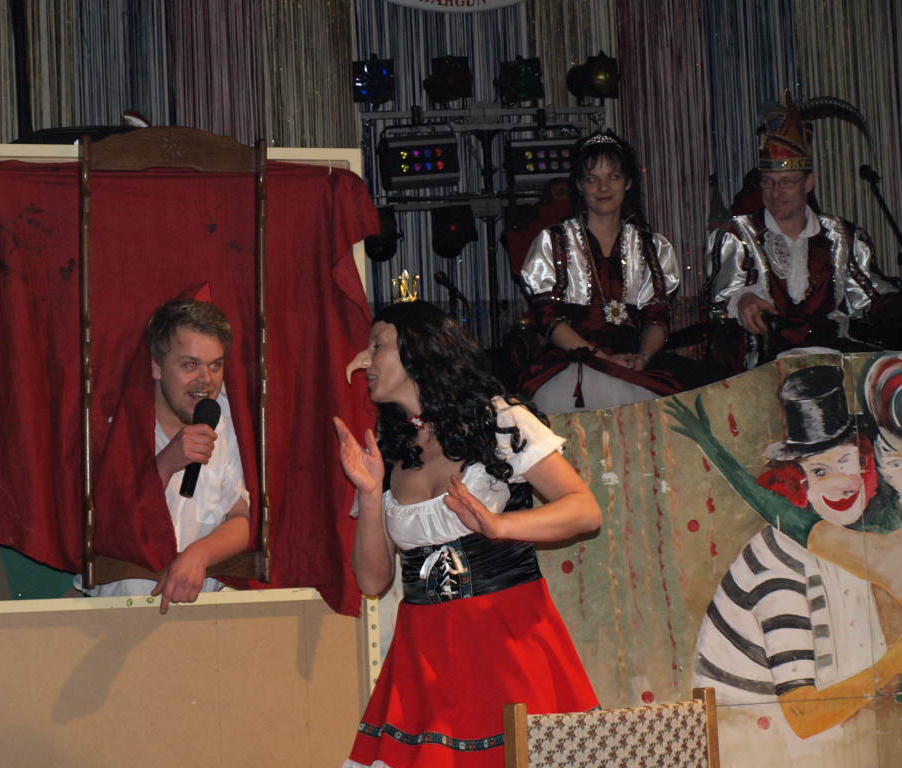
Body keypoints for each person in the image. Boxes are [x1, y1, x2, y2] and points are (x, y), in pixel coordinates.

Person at [334, 299, 601, 768]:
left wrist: (500, 526)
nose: (363, 360)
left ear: (420, 351)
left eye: (377, 346)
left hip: (507, 640)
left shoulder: (498, 420)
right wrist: (371, 494)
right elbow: (373, 581)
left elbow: (584, 511)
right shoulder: (393, 448)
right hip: (424, 655)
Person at [666, 366, 902, 741]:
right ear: (797, 482)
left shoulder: (848, 544)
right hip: (755, 744)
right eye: (820, 472)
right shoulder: (779, 566)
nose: (842, 482)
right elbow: (803, 718)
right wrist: (894, 662)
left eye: (849, 463)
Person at [520, 131, 717, 414]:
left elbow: (656, 318)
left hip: (635, 363)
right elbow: (548, 319)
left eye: (613, 177)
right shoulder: (553, 242)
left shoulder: (652, 247)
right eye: (592, 179)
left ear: (628, 182)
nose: (603, 187)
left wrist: (643, 357)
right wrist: (601, 359)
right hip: (575, 363)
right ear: (579, 185)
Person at [707, 91, 901, 370]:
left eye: (787, 182)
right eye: (768, 182)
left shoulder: (841, 236)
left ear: (808, 183)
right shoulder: (739, 234)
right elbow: (722, 296)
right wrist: (743, 300)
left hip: (835, 354)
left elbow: (871, 296)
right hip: (767, 365)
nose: (776, 193)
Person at [79, 298, 250, 613]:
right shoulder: (117, 423)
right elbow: (109, 524)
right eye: (190, 365)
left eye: (215, 365)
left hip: (206, 607)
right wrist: (165, 463)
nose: (206, 379)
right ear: (156, 367)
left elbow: (241, 517)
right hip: (124, 608)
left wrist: (199, 554)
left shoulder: (227, 418)